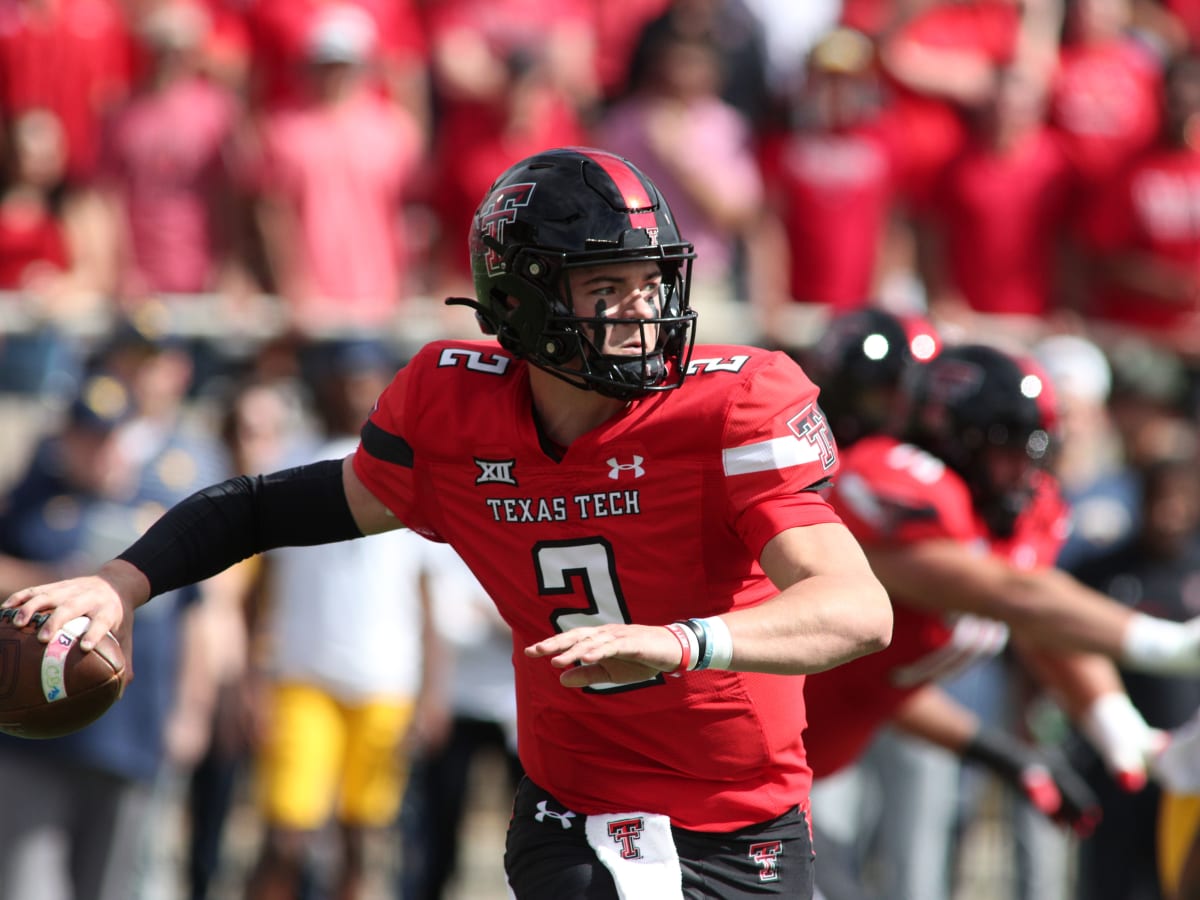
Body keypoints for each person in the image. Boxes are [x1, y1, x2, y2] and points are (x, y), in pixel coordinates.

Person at [1, 146, 894, 900]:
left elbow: (857, 609)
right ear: (524, 299)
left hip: (749, 814)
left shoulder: (731, 405)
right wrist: (121, 579)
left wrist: (680, 643)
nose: (642, 311)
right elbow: (272, 507)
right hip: (577, 814)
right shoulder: (455, 410)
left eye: (651, 282)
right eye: (606, 285)